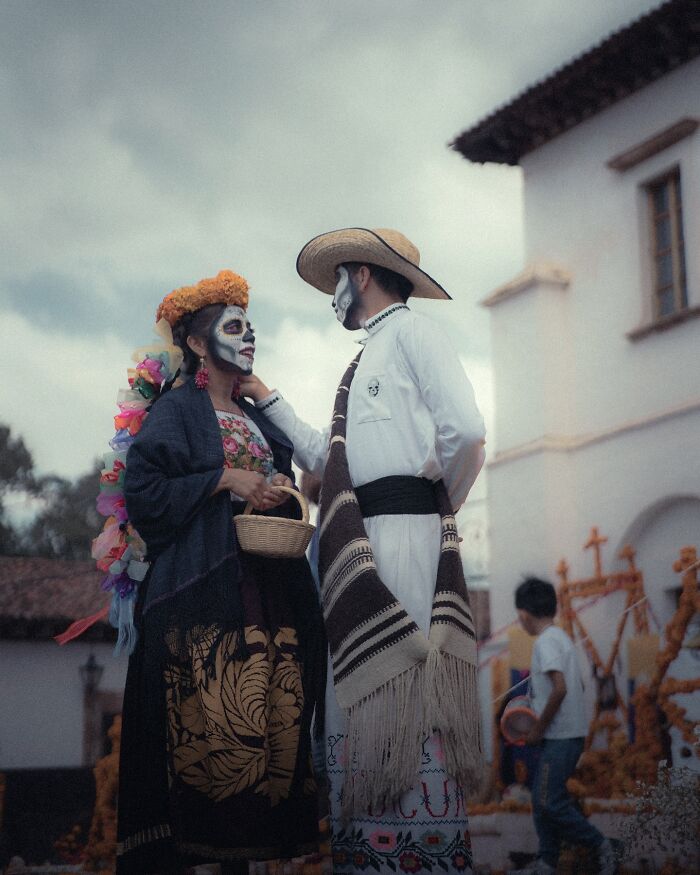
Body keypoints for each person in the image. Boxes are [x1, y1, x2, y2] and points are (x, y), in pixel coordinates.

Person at [241, 228, 486, 874]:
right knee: (364, 694)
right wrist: (264, 396)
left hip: (406, 537)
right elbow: (327, 456)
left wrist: (435, 505)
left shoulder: (414, 335)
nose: (335, 292)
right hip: (364, 541)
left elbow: (468, 430)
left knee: (406, 688)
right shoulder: (365, 359)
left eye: (339, 277)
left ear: (363, 274)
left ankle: (420, 855)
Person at [116, 270, 326, 874]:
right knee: (209, 755)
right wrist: (224, 480)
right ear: (200, 346)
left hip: (269, 595)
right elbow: (145, 492)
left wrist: (278, 489)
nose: (249, 336)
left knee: (265, 753)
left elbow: (289, 476)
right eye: (234, 328)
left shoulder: (257, 417)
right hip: (203, 604)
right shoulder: (176, 412)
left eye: (251, 327)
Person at [515, 577, 617, 875]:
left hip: (560, 737)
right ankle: (547, 862)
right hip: (568, 735)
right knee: (540, 798)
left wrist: (537, 729)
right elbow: (578, 685)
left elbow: (559, 689)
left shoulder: (545, 642)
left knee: (549, 800)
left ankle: (602, 845)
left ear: (523, 614)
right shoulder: (561, 637)